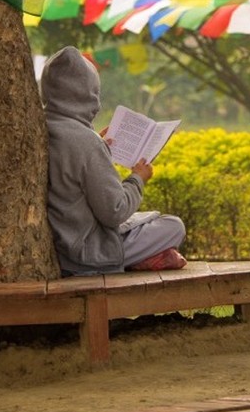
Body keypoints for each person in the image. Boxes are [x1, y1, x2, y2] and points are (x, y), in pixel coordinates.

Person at [40, 46, 187, 275]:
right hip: (89, 255)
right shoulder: (87, 144)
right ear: (90, 92)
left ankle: (147, 257)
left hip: (63, 246)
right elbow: (115, 212)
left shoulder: (39, 128)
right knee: (173, 226)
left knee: (146, 220)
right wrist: (138, 179)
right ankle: (142, 258)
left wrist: (97, 144)